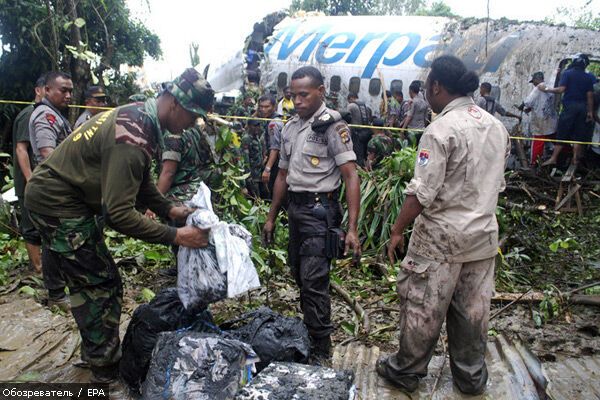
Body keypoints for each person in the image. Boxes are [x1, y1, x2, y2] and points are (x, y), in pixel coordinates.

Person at [24, 68, 213, 383]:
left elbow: (140, 180)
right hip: (57, 204)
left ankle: (96, 355)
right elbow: (119, 214)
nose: (192, 124)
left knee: (92, 278)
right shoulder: (134, 134)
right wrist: (177, 235)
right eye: (192, 117)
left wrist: (168, 209)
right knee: (101, 285)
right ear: (177, 105)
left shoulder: (140, 117)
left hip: (69, 200)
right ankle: (105, 375)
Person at [378, 55, 510, 395]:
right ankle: (470, 378)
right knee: (472, 312)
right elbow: (496, 185)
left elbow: (422, 192)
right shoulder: (496, 127)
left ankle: (406, 370)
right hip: (481, 238)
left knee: (422, 306)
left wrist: (396, 230)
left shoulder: (440, 130)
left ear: (436, 86)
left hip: (440, 240)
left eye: (426, 88)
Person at [263, 66, 361, 362]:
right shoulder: (290, 127)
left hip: (321, 212)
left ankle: (321, 350)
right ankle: (312, 332)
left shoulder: (332, 126)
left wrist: (353, 229)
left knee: (314, 280)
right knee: (298, 274)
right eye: (293, 96)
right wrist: (271, 216)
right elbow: (282, 175)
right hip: (296, 210)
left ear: (321, 91)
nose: (298, 101)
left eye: (304, 94)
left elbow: (350, 176)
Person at [28, 71, 73, 309]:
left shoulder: (56, 115)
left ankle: (60, 290)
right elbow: (48, 154)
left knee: (57, 241)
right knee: (54, 242)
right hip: (51, 189)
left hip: (57, 188)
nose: (68, 95)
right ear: (46, 90)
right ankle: (56, 295)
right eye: (62, 90)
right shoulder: (46, 116)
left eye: (70, 91)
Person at [12, 75, 46, 273]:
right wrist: (30, 180)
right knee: (31, 227)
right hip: (30, 184)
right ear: (39, 90)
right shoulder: (30, 114)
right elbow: (21, 149)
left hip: (40, 184)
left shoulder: (43, 113)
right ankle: (37, 268)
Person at [542, 53, 595, 167]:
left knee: (562, 132)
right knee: (578, 134)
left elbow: (561, 90)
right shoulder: (588, 77)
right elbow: (590, 95)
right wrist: (590, 112)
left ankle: (554, 158)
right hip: (583, 108)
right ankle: (575, 159)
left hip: (570, 107)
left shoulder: (568, 74)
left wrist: (547, 89)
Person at [521, 72, 558, 165]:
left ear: (537, 80)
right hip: (551, 120)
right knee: (557, 140)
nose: (533, 83)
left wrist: (522, 107)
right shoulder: (549, 87)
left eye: (533, 81)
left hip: (540, 121)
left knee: (538, 141)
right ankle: (568, 153)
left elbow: (528, 102)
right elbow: (541, 102)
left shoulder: (538, 88)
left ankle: (534, 163)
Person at [258, 94, 284, 197]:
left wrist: (267, 169)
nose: (263, 109)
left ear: (274, 107)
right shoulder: (269, 120)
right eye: (261, 106)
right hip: (274, 161)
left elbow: (275, 148)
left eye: (267, 107)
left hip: (276, 164)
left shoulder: (273, 123)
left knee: (272, 192)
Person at [242, 119, 267, 198]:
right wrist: (248, 177)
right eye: (255, 126)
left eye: (258, 126)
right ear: (249, 126)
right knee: (255, 198)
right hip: (252, 176)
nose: (257, 128)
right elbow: (245, 160)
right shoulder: (246, 139)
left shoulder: (256, 137)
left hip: (258, 174)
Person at [346, 93, 373, 167]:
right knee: (364, 152)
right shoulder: (366, 106)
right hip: (367, 133)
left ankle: (358, 170)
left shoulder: (351, 106)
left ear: (351, 98)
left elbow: (347, 118)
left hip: (356, 134)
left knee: (357, 153)